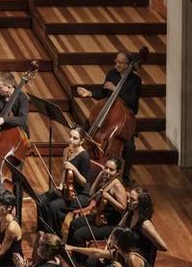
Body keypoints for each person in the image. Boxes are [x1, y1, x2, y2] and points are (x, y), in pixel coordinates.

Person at [76, 51, 142, 183]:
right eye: (116, 61)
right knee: (86, 125)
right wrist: (89, 93)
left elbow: (133, 104)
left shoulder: (135, 80)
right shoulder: (112, 74)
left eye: (119, 62)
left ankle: (126, 175)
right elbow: (103, 92)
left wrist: (115, 89)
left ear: (128, 65)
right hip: (108, 116)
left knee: (129, 146)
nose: (115, 64)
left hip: (123, 121)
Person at [35, 126, 92, 236]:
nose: (71, 139)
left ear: (82, 141)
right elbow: (64, 171)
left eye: (75, 138)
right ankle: (43, 230)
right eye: (70, 136)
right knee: (41, 199)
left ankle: (55, 234)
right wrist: (61, 184)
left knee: (54, 206)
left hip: (80, 194)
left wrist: (74, 169)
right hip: (67, 190)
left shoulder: (84, 156)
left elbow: (85, 182)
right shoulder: (67, 151)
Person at [66, 156, 126, 247]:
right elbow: (91, 194)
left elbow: (123, 208)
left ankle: (79, 259)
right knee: (74, 223)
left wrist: (109, 197)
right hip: (98, 217)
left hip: (110, 224)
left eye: (111, 170)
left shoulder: (117, 186)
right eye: (106, 168)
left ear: (118, 172)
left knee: (79, 234)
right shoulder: (105, 180)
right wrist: (98, 177)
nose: (107, 171)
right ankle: (68, 250)